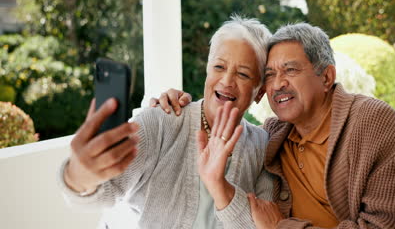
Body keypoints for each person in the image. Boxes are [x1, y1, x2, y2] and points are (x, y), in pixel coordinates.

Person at [153, 23, 395, 228]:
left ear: (327, 77)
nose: (278, 83)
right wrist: (173, 102)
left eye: (290, 70)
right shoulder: (274, 137)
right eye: (269, 74)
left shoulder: (372, 123)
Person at [57, 16, 276, 229]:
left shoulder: (262, 147)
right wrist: (77, 175)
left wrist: (220, 187)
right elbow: (103, 191)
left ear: (259, 92)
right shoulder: (161, 122)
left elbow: (261, 224)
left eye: (243, 74)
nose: (227, 81)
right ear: (207, 71)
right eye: (219, 67)